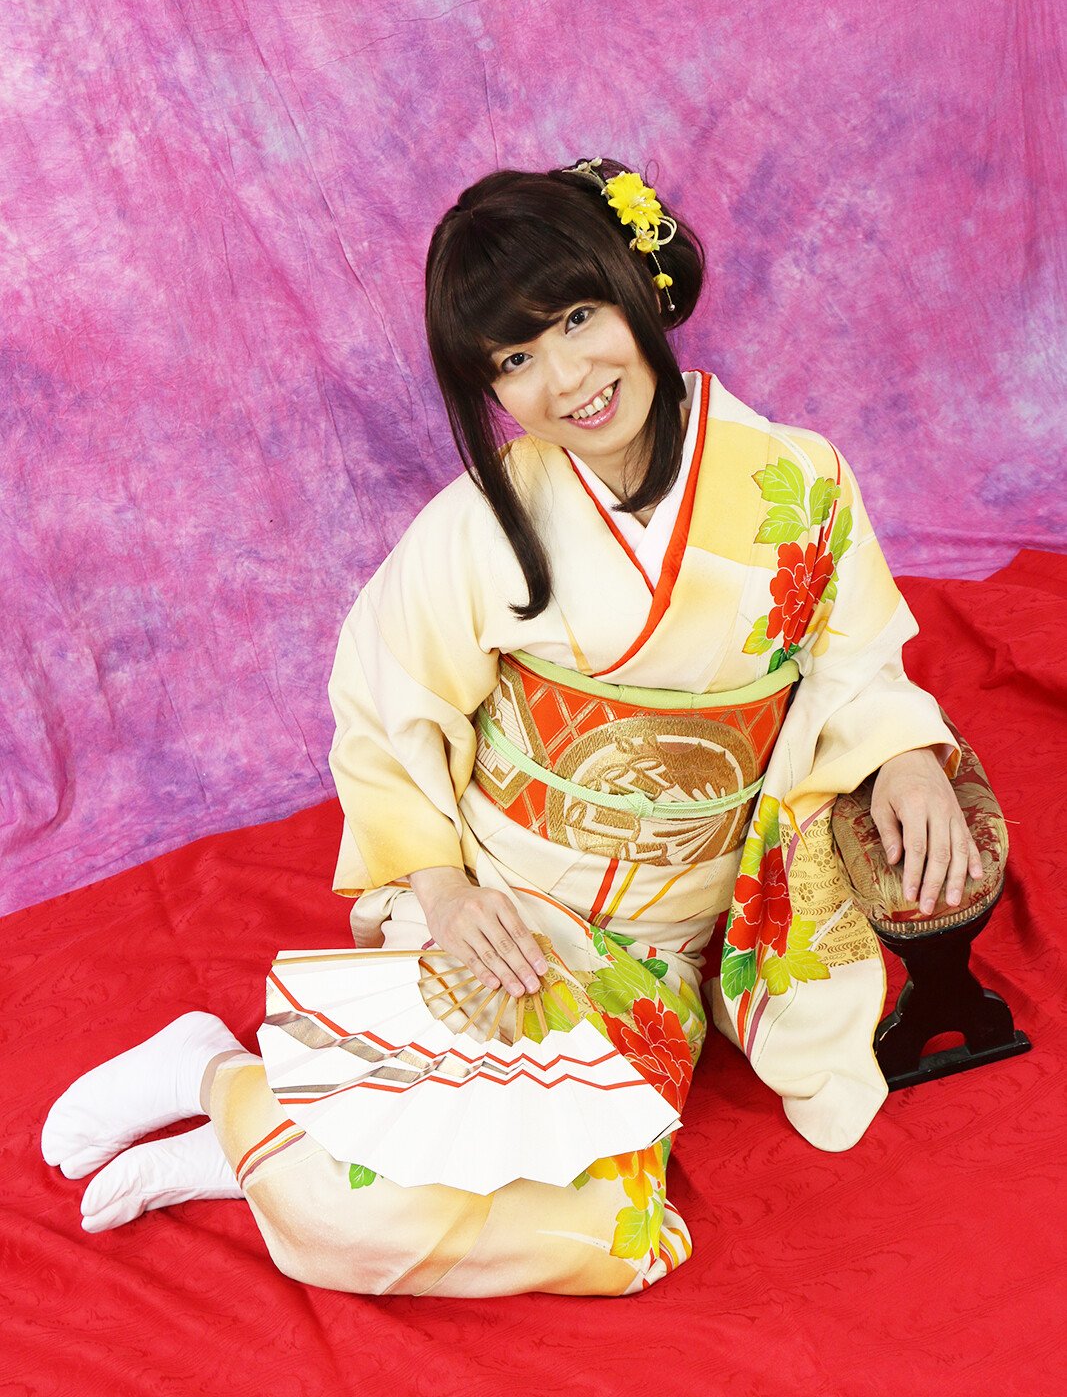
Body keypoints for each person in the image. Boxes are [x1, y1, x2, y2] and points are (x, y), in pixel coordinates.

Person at [42, 158, 981, 1297]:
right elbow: (386, 702)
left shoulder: (800, 482)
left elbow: (851, 655)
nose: (566, 378)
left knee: (607, 1231)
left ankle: (253, 1137)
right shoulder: (483, 523)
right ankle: (218, 1079)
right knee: (369, 1212)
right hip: (512, 915)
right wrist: (443, 891)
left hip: (665, 942)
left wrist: (902, 752)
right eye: (514, 359)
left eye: (577, 318)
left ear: (635, 286)